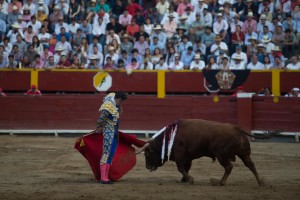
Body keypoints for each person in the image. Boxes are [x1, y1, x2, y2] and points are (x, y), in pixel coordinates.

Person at [96, 91, 128, 184]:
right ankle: (103, 178)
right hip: (108, 131)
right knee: (106, 153)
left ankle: (106, 177)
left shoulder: (116, 103)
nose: (122, 104)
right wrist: (99, 128)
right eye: (122, 101)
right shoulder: (108, 106)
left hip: (114, 132)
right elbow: (100, 119)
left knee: (111, 154)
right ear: (118, 99)